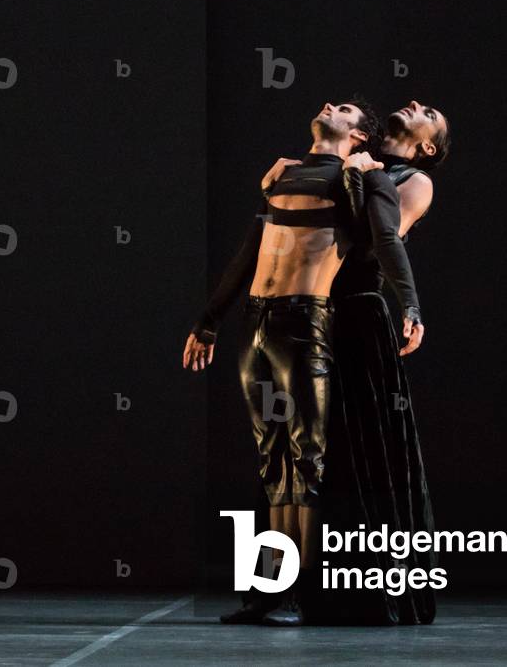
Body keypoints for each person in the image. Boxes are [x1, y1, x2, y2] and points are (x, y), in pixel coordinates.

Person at [182, 97, 423, 626]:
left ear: (359, 135)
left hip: (306, 322)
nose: (330, 106)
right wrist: (208, 320)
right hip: (257, 322)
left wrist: (410, 306)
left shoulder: (366, 177)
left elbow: (382, 241)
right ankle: (268, 592)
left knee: (307, 462)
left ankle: (298, 596)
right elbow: (250, 251)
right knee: (273, 465)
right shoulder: (282, 172)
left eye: (345, 109)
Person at [317, 99, 451, 626]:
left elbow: (374, 236)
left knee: (366, 443)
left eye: (429, 112)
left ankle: (373, 590)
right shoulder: (355, 157)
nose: (415, 103)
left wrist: (411, 305)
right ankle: (302, 586)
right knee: (313, 446)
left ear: (428, 145)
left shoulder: (415, 180)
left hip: (359, 315)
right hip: (315, 312)